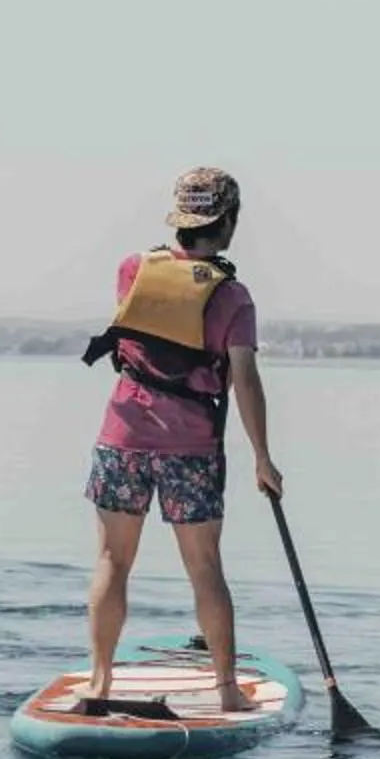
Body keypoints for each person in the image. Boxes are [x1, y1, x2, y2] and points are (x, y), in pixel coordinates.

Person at [78, 167, 283, 713]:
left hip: (121, 436)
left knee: (111, 562)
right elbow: (245, 379)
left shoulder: (132, 269)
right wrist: (263, 457)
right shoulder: (233, 297)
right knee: (205, 567)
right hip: (190, 447)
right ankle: (227, 690)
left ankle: (99, 684)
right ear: (229, 221)